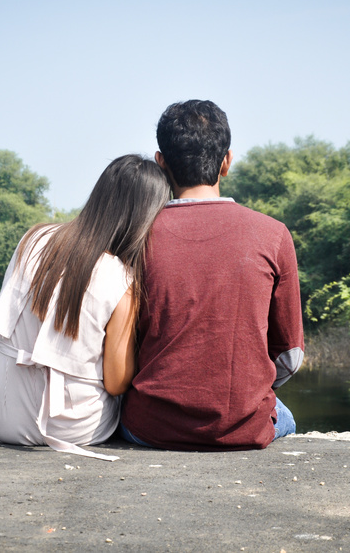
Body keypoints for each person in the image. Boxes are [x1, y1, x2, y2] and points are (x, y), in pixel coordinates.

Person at [120, 100, 305, 451]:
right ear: (226, 162)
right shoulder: (274, 233)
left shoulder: (135, 236)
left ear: (161, 163)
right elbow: (289, 356)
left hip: (149, 427)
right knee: (287, 417)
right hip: (244, 427)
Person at [0, 154, 170, 461]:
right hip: (72, 427)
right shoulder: (122, 279)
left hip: (3, 414)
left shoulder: (34, 238)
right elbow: (117, 381)